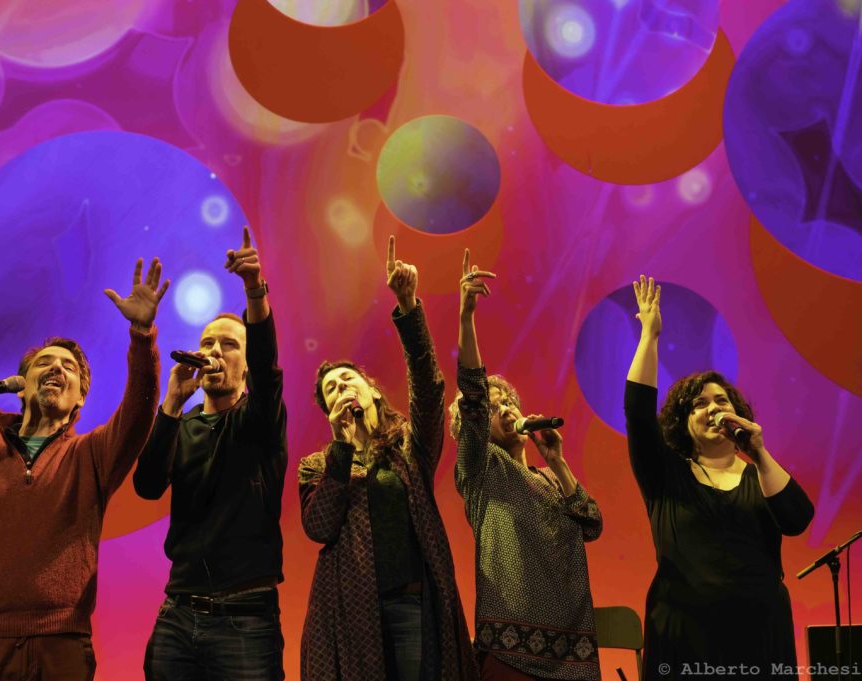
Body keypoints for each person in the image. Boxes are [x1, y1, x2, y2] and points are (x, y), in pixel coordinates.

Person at [0, 257, 169, 681]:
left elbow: (138, 412)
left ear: (80, 399)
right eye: (44, 363)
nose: (56, 368)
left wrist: (141, 333)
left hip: (61, 646)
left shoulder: (91, 455)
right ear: (20, 388)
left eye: (68, 367)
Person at [298, 236, 477, 681]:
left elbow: (429, 390)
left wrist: (408, 306)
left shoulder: (409, 448)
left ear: (373, 391)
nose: (341, 388)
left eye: (348, 380)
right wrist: (341, 449)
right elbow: (319, 527)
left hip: (412, 607)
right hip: (349, 617)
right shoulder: (318, 465)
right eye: (331, 390)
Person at [624, 275, 814, 679]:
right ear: (682, 422)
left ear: (738, 413)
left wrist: (758, 452)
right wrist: (650, 337)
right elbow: (638, 413)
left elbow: (798, 519)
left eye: (721, 401)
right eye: (699, 404)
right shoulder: (666, 475)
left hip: (760, 639)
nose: (713, 409)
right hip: (683, 639)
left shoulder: (761, 474)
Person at [135, 226, 286, 680]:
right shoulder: (181, 425)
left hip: (246, 619)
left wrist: (254, 290)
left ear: (246, 362)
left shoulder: (258, 421)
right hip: (178, 614)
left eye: (229, 344)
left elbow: (267, 369)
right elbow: (147, 486)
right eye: (207, 344)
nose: (215, 351)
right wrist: (171, 404)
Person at [451, 250, 603, 681]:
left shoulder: (549, 477)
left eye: (509, 402)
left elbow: (592, 524)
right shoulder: (482, 469)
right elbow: (473, 398)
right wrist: (467, 318)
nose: (505, 409)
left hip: (572, 656)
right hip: (510, 653)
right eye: (493, 406)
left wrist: (558, 462)